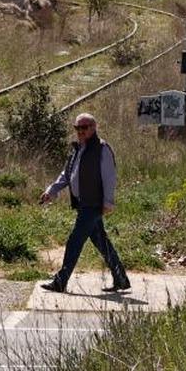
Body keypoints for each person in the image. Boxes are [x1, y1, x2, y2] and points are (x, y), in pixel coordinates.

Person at [38, 112, 130, 293]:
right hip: (83, 203)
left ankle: (60, 281)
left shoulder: (102, 149)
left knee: (75, 241)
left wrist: (108, 203)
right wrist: (52, 191)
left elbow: (109, 177)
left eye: (85, 127)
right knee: (100, 241)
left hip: (94, 204)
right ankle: (120, 278)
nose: (81, 131)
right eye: (77, 128)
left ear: (94, 128)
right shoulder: (77, 149)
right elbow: (66, 175)